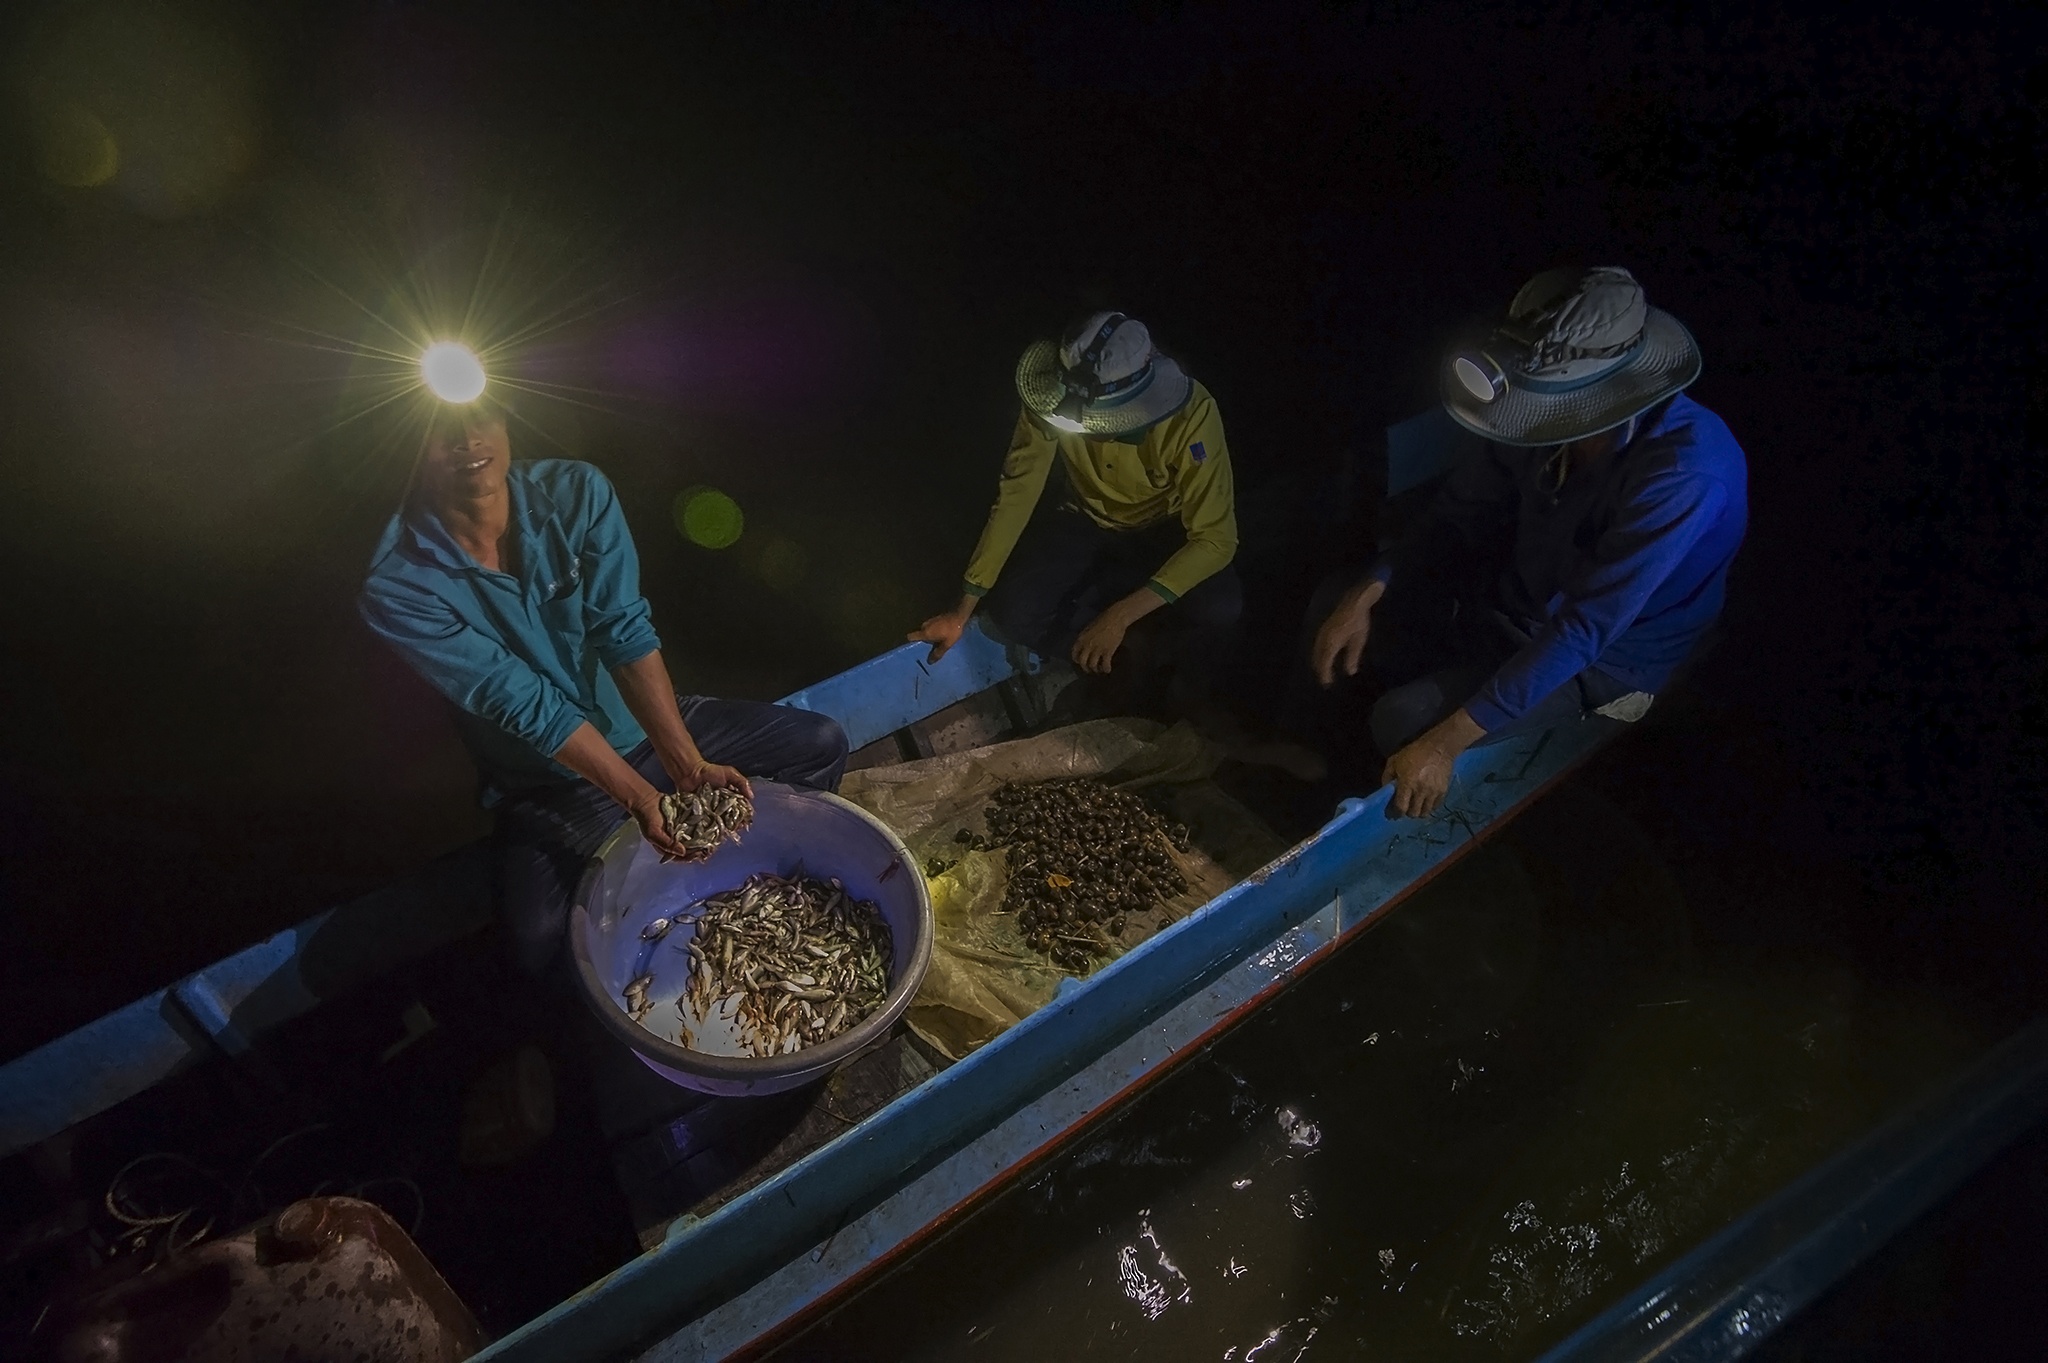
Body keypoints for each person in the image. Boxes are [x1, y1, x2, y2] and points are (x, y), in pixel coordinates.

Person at [359, 397, 848, 977]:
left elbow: (623, 630)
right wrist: (641, 799)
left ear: (506, 421)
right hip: (548, 778)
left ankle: (759, 872)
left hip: (645, 729)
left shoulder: (575, 494)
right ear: (409, 449)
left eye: (481, 415)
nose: (468, 438)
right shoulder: (397, 584)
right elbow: (525, 704)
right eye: (441, 430)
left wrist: (687, 765)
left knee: (819, 742)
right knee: (538, 939)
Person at [1308, 266, 1748, 818]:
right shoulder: (1528, 408)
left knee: (1402, 720)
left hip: (1608, 655)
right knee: (1338, 602)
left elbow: (1585, 627)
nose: (1525, 410)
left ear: (1608, 387)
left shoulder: (1686, 474)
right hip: (1517, 596)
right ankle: (1318, 772)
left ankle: (1378, 829)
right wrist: (1372, 586)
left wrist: (1443, 743)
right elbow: (1458, 514)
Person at [909, 312, 1240, 704]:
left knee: (1221, 608)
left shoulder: (1194, 414)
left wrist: (1119, 615)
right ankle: (1121, 659)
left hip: (1163, 526)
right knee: (1016, 613)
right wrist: (961, 610)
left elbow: (1216, 540)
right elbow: (1017, 492)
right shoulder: (1050, 395)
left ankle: (1182, 682)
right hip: (1085, 516)